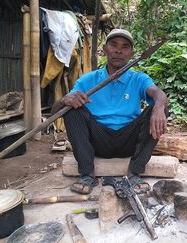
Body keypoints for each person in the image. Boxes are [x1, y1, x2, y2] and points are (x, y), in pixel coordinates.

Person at [51, 28, 168, 195]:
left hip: (129, 140)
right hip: (98, 140)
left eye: (125, 46)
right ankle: (87, 174)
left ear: (131, 53)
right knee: (72, 109)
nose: (118, 50)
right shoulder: (88, 80)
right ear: (105, 49)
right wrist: (64, 100)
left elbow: (158, 93)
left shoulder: (138, 78)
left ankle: (134, 173)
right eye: (113, 45)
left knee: (160, 106)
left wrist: (158, 107)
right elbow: (56, 112)